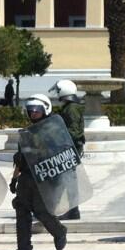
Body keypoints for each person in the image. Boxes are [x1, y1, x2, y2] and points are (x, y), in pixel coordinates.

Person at [9, 95, 68, 250]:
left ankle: (59, 231)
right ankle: (24, 248)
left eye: (37, 110)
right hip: (27, 177)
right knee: (21, 210)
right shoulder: (26, 133)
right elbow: (20, 159)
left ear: (45, 110)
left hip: (46, 177)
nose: (33, 113)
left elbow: (63, 155)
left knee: (42, 211)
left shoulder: (54, 131)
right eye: (31, 111)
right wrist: (14, 179)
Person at [50, 80, 85, 221]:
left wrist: (58, 135)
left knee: (68, 180)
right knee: (65, 180)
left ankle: (73, 211)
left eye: (59, 91)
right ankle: (70, 210)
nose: (58, 93)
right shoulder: (70, 107)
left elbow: (74, 131)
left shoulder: (72, 108)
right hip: (68, 147)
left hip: (70, 148)